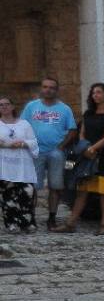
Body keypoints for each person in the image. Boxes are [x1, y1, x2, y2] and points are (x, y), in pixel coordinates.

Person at [54, 83, 104, 234]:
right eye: (93, 93)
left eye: (98, 92)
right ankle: (71, 223)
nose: (95, 95)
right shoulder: (88, 114)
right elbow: (82, 133)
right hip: (86, 157)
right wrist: (85, 148)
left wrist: (93, 148)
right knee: (82, 191)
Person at [21, 77, 77, 229]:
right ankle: (30, 217)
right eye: (45, 86)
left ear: (56, 90)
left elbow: (72, 130)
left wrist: (61, 146)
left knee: (55, 186)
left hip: (56, 152)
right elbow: (22, 125)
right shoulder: (31, 107)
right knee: (32, 187)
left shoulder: (64, 109)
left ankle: (51, 218)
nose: (48, 90)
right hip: (36, 151)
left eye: (52, 87)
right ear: (41, 88)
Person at [0, 96, 38, 233]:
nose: (4, 107)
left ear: (12, 106)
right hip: (5, 165)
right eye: (1, 105)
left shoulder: (24, 124)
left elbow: (33, 141)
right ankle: (11, 223)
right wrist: (6, 144)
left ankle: (27, 222)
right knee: (8, 194)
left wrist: (23, 143)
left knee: (27, 192)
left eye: (6, 104)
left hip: (23, 165)